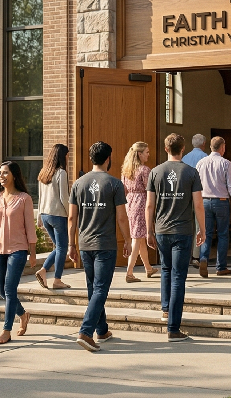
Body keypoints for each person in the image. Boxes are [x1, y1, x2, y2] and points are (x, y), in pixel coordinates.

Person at [67, 141, 132, 352]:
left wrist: (71, 244)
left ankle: (101, 329)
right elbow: (122, 217)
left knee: (93, 288)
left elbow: (71, 218)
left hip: (85, 244)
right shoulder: (114, 184)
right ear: (108, 159)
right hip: (105, 244)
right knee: (100, 288)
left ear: (91, 159)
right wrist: (128, 240)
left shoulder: (78, 183)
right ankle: (86, 331)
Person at [146, 133, 205, 342]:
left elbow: (149, 205)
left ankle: (165, 310)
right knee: (179, 276)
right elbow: (198, 204)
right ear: (183, 150)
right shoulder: (191, 172)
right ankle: (173, 328)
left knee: (166, 270)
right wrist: (203, 230)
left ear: (165, 149)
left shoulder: (155, 172)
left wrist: (148, 231)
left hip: (161, 230)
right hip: (182, 230)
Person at [0, 161, 36, 345]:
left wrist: (33, 252)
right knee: (2, 290)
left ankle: (6, 330)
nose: (1, 176)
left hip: (18, 250)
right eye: (0, 173)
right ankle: (23, 314)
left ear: (14, 175)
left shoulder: (24, 199)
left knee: (9, 290)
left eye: (5, 173)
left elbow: (30, 227)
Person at [196, 136, 231, 277]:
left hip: (204, 200)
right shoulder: (226, 163)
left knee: (206, 233)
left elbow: (196, 185)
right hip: (221, 201)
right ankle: (221, 267)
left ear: (210, 147)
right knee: (222, 234)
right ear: (222, 147)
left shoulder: (201, 163)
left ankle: (203, 259)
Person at [36, 144, 72, 290]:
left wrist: (39, 216)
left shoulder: (43, 172)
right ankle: (57, 280)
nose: (68, 158)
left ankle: (43, 271)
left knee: (59, 247)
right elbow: (64, 197)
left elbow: (40, 197)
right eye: (67, 155)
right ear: (62, 156)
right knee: (62, 247)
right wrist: (71, 214)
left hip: (45, 215)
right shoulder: (61, 173)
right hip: (57, 215)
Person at [121, 142, 156, 283]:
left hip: (129, 202)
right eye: (146, 152)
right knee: (137, 238)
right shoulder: (144, 170)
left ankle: (148, 268)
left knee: (139, 236)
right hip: (141, 202)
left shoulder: (126, 170)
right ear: (140, 154)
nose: (148, 154)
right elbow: (150, 189)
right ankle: (129, 272)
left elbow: (123, 189)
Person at [181, 133, 208, 267]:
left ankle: (185, 255)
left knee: (186, 225)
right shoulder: (205, 158)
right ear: (203, 144)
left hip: (185, 196)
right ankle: (196, 256)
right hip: (199, 195)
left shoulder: (184, 158)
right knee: (199, 225)